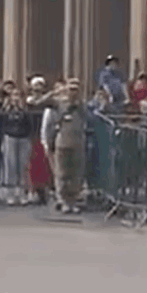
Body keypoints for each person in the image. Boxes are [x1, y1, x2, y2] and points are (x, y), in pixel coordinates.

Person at [42, 78, 87, 213]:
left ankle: (73, 201)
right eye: (71, 89)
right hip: (62, 142)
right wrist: (55, 91)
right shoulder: (59, 104)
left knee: (76, 174)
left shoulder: (82, 105)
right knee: (62, 173)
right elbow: (39, 102)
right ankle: (62, 200)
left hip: (78, 142)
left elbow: (88, 118)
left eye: (76, 90)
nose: (73, 92)